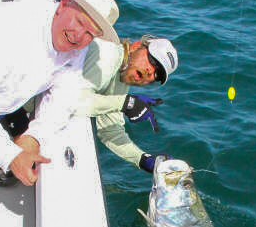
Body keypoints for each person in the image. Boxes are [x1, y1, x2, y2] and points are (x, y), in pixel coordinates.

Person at [0, 0, 119, 204]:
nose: (79, 36)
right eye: (79, 22)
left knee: (16, 171)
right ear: (63, 4)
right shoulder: (10, 28)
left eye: (90, 33)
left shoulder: (76, 43)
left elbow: (64, 97)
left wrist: (33, 137)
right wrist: (10, 154)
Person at [74, 32, 178, 173]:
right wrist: (126, 103)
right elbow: (70, 102)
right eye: (152, 61)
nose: (150, 71)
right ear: (136, 47)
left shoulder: (121, 79)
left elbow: (110, 131)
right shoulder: (108, 54)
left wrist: (144, 160)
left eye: (157, 74)